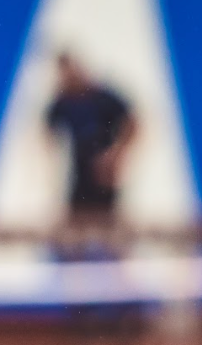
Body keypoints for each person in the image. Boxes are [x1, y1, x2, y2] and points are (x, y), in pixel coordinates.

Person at [43, 51, 136, 226]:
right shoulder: (63, 101)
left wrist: (115, 155)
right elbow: (47, 129)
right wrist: (50, 167)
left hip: (104, 173)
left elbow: (133, 124)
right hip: (79, 174)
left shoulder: (102, 98)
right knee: (74, 228)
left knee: (110, 225)